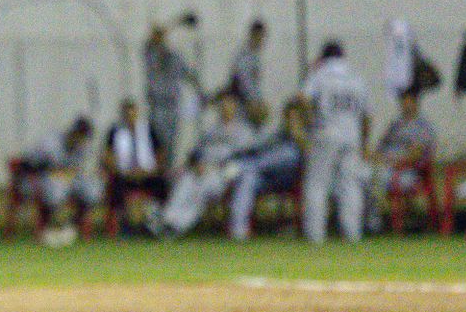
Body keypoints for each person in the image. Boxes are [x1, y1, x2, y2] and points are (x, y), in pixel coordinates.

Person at [151, 90, 258, 239]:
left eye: (229, 105)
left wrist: (217, 169)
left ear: (236, 107)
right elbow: (196, 152)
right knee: (185, 182)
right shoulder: (211, 129)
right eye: (223, 105)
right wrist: (197, 165)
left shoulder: (245, 132)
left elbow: (244, 159)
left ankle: (178, 226)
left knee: (200, 191)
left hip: (222, 173)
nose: (226, 108)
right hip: (201, 169)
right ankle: (167, 220)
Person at [301, 40, 372, 243]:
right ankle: (352, 234)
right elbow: (367, 115)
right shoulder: (356, 78)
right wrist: (365, 143)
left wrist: (311, 121)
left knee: (317, 184)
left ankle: (315, 235)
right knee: (350, 185)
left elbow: (303, 98)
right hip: (352, 135)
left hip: (326, 132)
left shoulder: (320, 74)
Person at [226, 98, 309, 240]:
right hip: (267, 177)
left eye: (295, 118)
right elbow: (258, 148)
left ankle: (236, 169)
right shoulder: (278, 134)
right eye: (289, 118)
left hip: (291, 180)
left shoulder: (311, 133)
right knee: (248, 178)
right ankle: (238, 233)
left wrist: (299, 138)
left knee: (289, 152)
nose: (291, 122)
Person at [16, 117, 98, 247]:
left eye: (84, 137)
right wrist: (59, 173)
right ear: (73, 132)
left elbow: (77, 169)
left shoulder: (84, 147)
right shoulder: (51, 142)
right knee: (56, 189)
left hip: (66, 179)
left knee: (92, 189)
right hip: (38, 179)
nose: (81, 139)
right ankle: (51, 228)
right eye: (79, 134)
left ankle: (73, 226)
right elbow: (30, 165)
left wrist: (67, 174)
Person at [369, 90, 436, 233]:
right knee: (365, 178)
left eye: (410, 101)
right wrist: (373, 157)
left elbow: (416, 154)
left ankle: (399, 223)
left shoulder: (423, 127)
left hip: (410, 171)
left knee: (386, 181)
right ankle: (372, 224)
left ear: (416, 104)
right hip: (386, 168)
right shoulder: (395, 125)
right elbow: (380, 149)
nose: (407, 105)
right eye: (404, 102)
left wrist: (396, 161)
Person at [100, 100, 165, 233]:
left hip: (147, 173)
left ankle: (160, 222)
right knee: (115, 189)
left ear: (137, 113)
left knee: (163, 185)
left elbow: (159, 152)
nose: (130, 117)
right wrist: (121, 170)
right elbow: (108, 155)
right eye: (127, 114)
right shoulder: (115, 131)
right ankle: (123, 225)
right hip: (124, 174)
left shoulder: (148, 129)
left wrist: (153, 169)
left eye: (133, 113)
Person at [142, 24, 198, 162]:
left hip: (173, 105)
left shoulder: (175, 57)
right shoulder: (152, 55)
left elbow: (189, 75)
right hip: (158, 105)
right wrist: (176, 21)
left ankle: (168, 172)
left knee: (171, 145)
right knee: (156, 143)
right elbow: (148, 46)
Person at [228, 20, 267, 118]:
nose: (261, 40)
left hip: (252, 103)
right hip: (244, 104)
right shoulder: (244, 56)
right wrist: (252, 101)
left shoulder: (256, 56)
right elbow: (243, 81)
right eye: (260, 37)